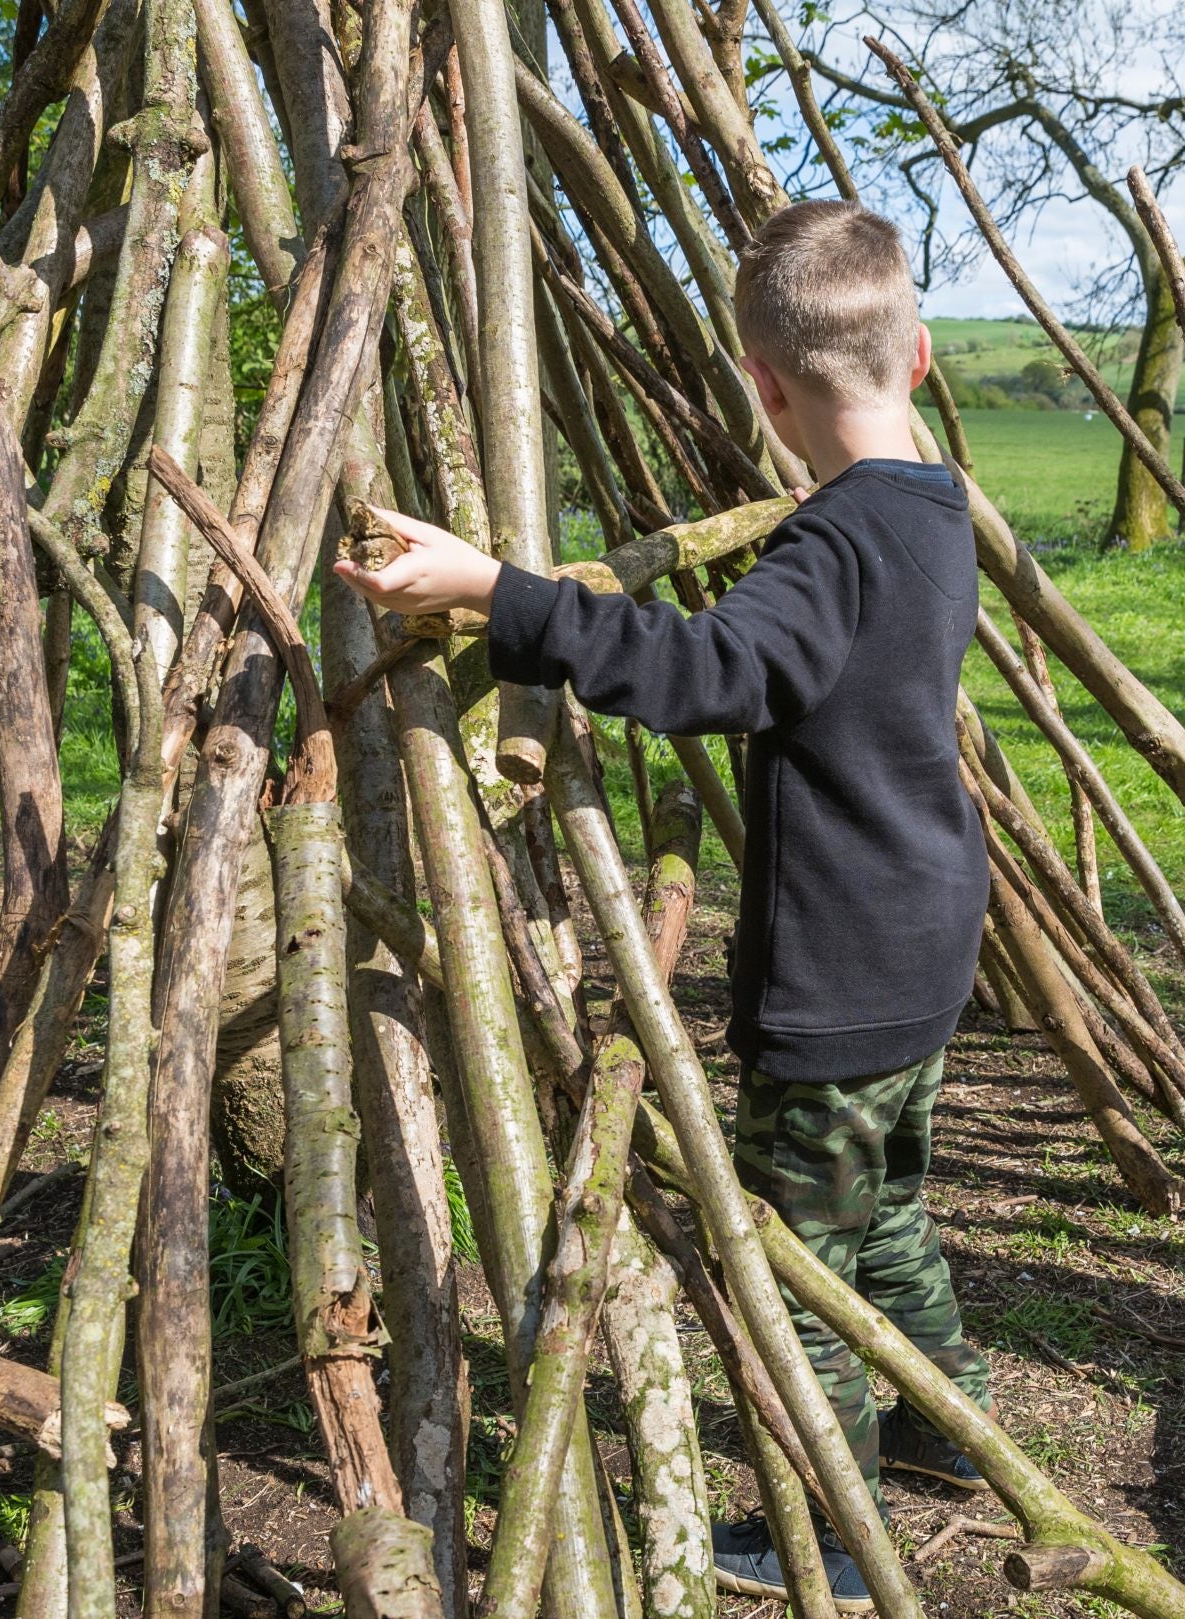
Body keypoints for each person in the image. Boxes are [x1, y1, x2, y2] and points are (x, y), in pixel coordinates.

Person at [342, 199, 993, 1608]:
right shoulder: (939, 513)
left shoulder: (833, 549)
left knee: (802, 1255)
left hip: (839, 974)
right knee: (888, 1208)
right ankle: (950, 1423)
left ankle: (832, 1514)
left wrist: (494, 589)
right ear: (921, 356)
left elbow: (704, 669)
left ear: (763, 386)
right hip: (928, 943)